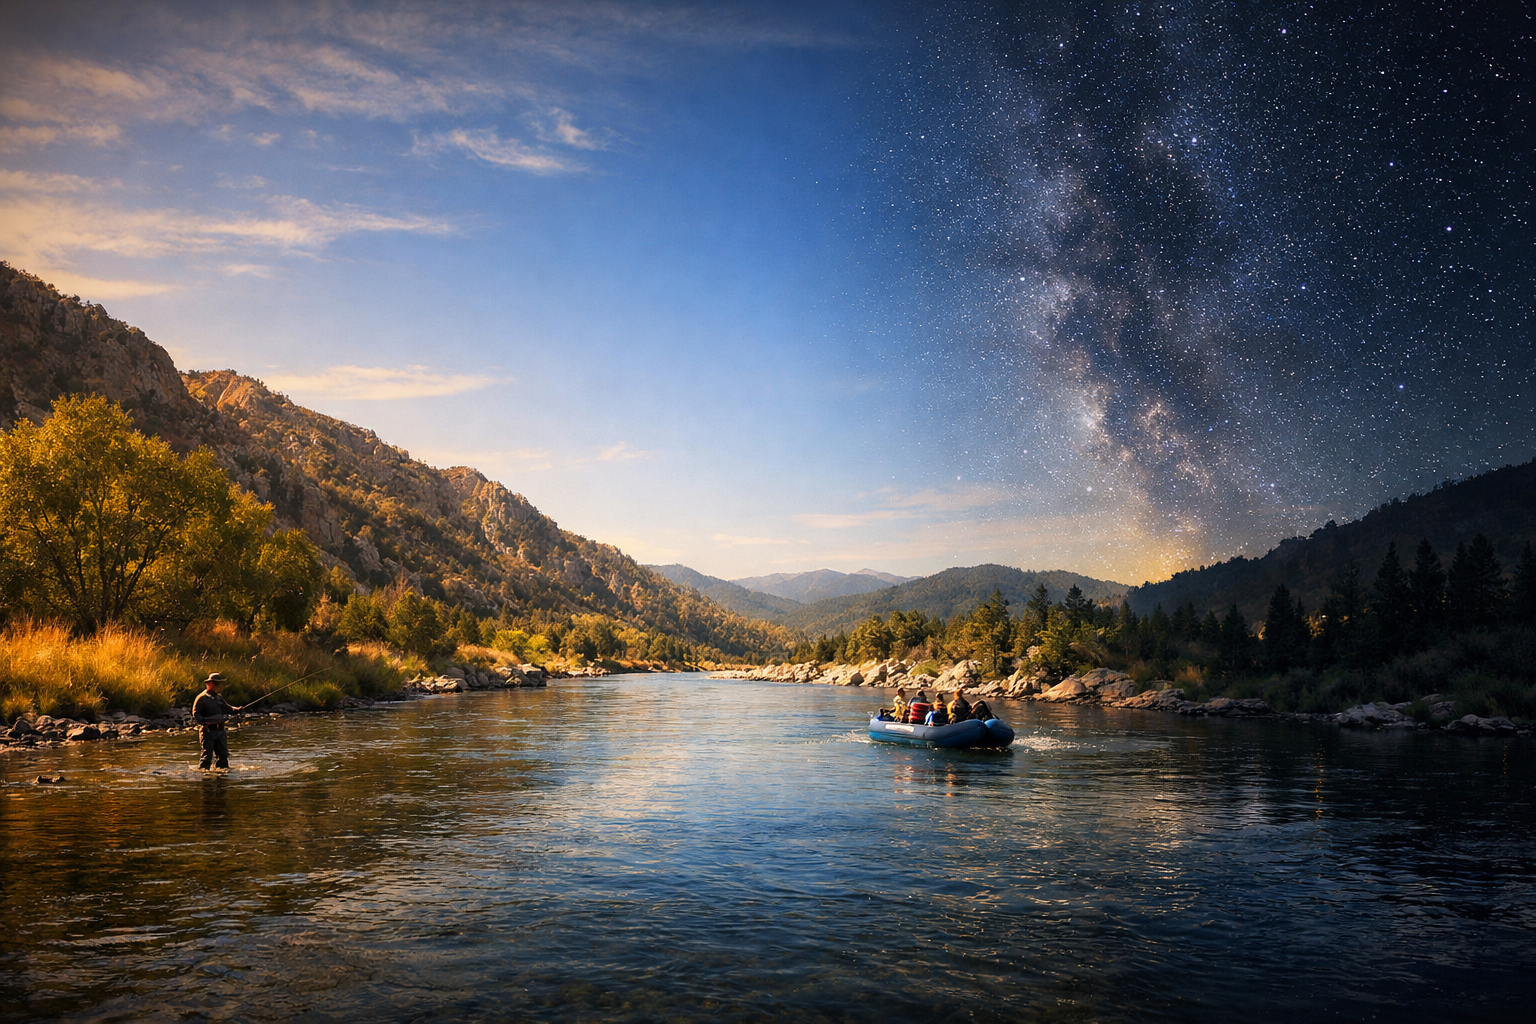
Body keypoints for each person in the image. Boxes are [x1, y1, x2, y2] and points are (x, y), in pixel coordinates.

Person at [192, 672, 243, 770]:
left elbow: (228, 709)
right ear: (210, 684)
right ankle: (204, 776)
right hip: (208, 731)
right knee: (207, 757)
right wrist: (204, 722)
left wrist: (237, 709)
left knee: (223, 756)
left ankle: (222, 776)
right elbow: (196, 713)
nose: (221, 686)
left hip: (220, 731)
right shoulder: (201, 698)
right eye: (218, 684)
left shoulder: (219, 698)